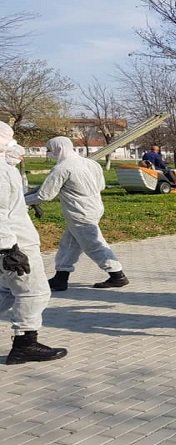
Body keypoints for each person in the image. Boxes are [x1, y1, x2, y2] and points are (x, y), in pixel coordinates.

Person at [0, 123, 68, 365]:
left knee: (6, 292)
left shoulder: (5, 169)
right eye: (9, 140)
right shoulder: (1, 172)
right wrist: (7, 248)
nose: (15, 146)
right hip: (15, 246)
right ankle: (25, 344)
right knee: (35, 292)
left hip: (12, 242)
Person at [25, 137, 129, 290]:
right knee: (69, 245)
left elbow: (44, 195)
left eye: (49, 150)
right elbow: (101, 186)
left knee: (93, 244)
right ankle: (61, 277)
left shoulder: (62, 169)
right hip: (94, 208)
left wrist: (19, 201)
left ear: (58, 149)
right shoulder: (91, 163)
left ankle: (117, 275)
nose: (49, 154)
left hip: (79, 212)